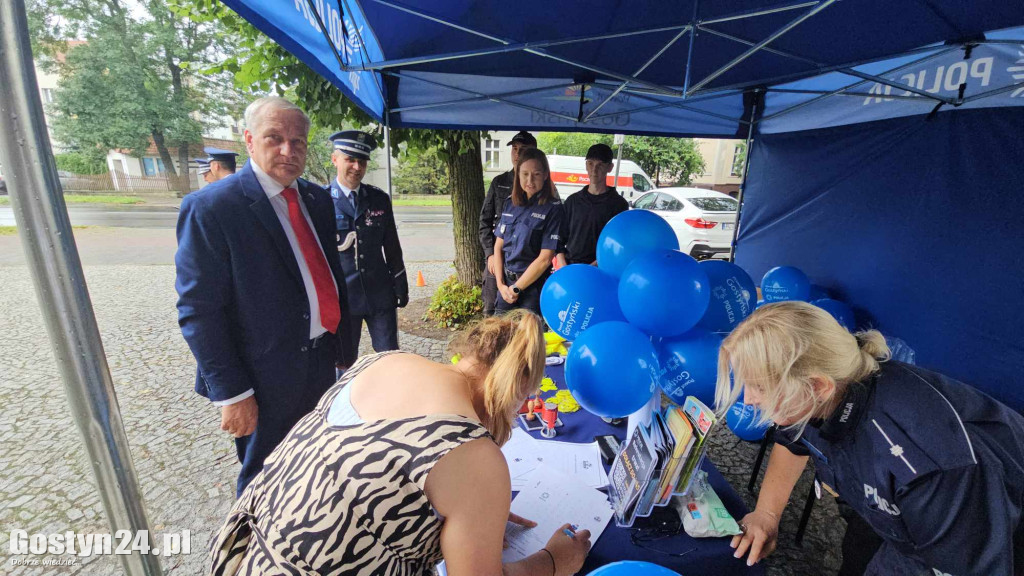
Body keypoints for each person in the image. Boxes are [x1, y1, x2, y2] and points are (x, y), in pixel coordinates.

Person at [208, 311, 593, 575]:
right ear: (515, 392)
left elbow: (369, 480)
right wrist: (554, 561)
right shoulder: (473, 453)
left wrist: (480, 512)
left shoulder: (386, 360)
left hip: (245, 554)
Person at [717, 301, 1024, 575]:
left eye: (760, 387)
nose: (749, 399)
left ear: (819, 387)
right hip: (884, 510)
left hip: (976, 533)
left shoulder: (930, 463)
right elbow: (795, 441)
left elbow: (960, 564)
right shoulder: (821, 390)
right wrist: (767, 514)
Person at [175, 97, 357, 497]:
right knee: (263, 480)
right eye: (275, 138)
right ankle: (250, 552)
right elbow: (198, 311)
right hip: (262, 377)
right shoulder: (213, 208)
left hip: (322, 361)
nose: (288, 151)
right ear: (249, 140)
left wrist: (344, 348)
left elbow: (327, 274)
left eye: (299, 141)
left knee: (315, 461)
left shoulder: (316, 199)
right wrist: (233, 394)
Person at [327, 129, 408, 353]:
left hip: (379, 295)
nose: (356, 167)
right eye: (350, 159)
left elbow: (391, 246)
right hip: (342, 298)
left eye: (362, 161)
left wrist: (400, 284)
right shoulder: (321, 200)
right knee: (343, 361)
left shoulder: (378, 198)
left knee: (388, 356)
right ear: (335, 159)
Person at [493, 147, 564, 317]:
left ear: (546, 175)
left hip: (531, 289)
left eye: (536, 174)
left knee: (527, 342)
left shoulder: (553, 209)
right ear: (518, 175)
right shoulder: (510, 203)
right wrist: (501, 285)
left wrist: (516, 288)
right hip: (505, 286)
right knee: (497, 338)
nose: (530, 180)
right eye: (525, 174)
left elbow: (545, 259)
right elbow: (498, 246)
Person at [480, 130, 537, 316]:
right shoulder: (499, 182)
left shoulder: (540, 186)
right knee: (491, 313)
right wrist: (490, 254)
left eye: (523, 149)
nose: (518, 154)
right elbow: (485, 222)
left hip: (528, 265)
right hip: (499, 257)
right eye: (514, 148)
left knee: (528, 320)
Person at [555, 143, 629, 267]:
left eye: (600, 165)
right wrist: (563, 267)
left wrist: (591, 268)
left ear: (610, 167)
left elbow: (619, 245)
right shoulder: (572, 201)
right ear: (586, 165)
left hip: (602, 270)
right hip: (570, 269)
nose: (594, 170)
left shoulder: (619, 205)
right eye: (590, 164)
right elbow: (558, 239)